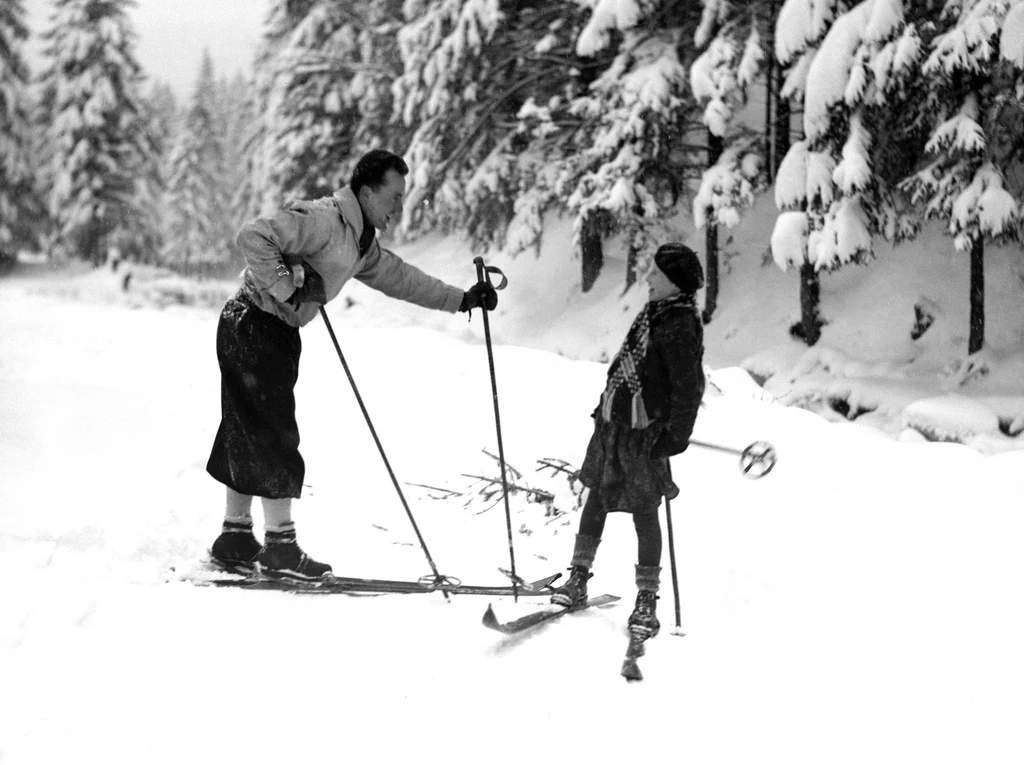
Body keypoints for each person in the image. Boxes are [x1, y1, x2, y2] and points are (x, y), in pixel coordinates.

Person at [206, 149, 497, 581]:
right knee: (271, 434)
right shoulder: (325, 220)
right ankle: (280, 548)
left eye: (402, 198)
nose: (399, 207)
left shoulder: (361, 244)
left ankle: (235, 538)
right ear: (365, 192)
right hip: (254, 324)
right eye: (392, 197)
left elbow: (401, 278)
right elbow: (254, 236)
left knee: (248, 430)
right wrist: (288, 290)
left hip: (264, 329)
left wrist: (462, 300)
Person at [549, 243, 706, 638]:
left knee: (644, 513)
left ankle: (646, 601)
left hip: (644, 439)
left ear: (673, 283)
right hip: (614, 429)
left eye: (656, 274)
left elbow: (688, 390)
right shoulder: (655, 312)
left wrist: (675, 439)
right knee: (597, 500)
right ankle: (578, 578)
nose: (648, 278)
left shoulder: (681, 325)